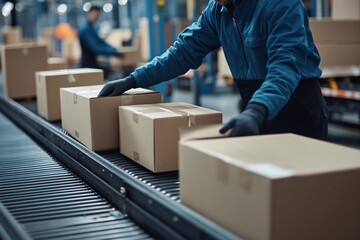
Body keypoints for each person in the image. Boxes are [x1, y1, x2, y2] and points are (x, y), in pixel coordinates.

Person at [98, 0, 328, 140]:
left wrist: (257, 109)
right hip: (257, 111)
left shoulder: (279, 4)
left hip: (297, 109)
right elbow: (182, 52)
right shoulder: (216, 11)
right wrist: (134, 79)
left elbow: (284, 67)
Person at [78, 5, 123, 79]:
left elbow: (101, 42)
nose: (96, 17)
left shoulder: (92, 28)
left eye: (98, 15)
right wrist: (113, 52)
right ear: (89, 14)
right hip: (87, 66)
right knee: (111, 73)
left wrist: (114, 49)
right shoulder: (85, 30)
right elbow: (96, 48)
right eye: (95, 14)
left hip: (93, 63)